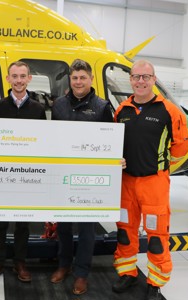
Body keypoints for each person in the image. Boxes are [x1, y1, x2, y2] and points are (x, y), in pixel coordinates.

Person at [112, 59, 188, 300]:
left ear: (154, 80)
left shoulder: (169, 111)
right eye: (136, 77)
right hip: (126, 182)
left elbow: (181, 149)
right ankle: (127, 274)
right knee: (125, 231)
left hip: (154, 184)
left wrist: (161, 168)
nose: (141, 81)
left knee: (156, 237)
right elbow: (112, 145)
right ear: (131, 80)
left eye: (146, 77)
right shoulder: (122, 110)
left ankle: (155, 282)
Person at [50, 58, 114, 295]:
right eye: (74, 78)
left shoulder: (102, 106)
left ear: (91, 79)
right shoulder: (58, 105)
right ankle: (64, 265)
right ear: (70, 79)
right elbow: (53, 139)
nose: (78, 82)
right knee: (64, 227)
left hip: (90, 178)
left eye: (82, 78)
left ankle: (81, 273)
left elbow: (110, 141)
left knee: (87, 228)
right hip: (64, 175)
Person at [0, 61, 46, 285]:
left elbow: (42, 143)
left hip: (27, 175)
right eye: (15, 76)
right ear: (8, 79)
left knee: (23, 223)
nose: (19, 80)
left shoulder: (38, 110)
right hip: (2, 174)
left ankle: (20, 262)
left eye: (23, 76)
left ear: (29, 78)